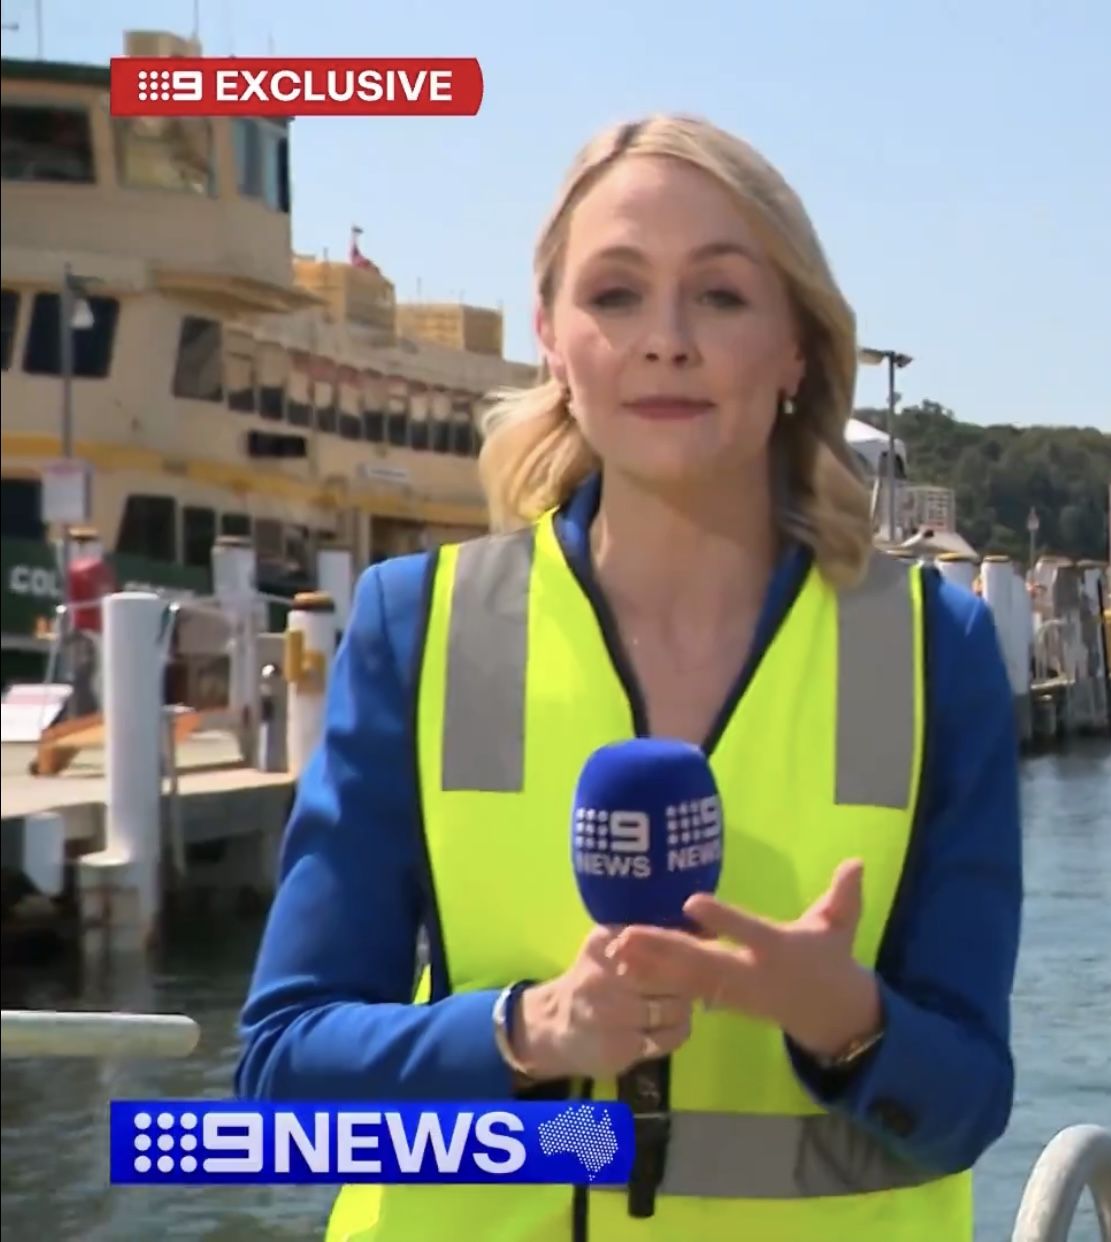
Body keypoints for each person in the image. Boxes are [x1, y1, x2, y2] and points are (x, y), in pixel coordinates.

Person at [233, 114, 1024, 1242]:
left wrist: (845, 1018)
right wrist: (525, 1032)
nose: (666, 341)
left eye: (721, 296)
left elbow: (968, 1106)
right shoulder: (423, 629)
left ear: (798, 348)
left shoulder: (930, 651)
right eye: (615, 295)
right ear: (553, 340)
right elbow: (279, 1085)